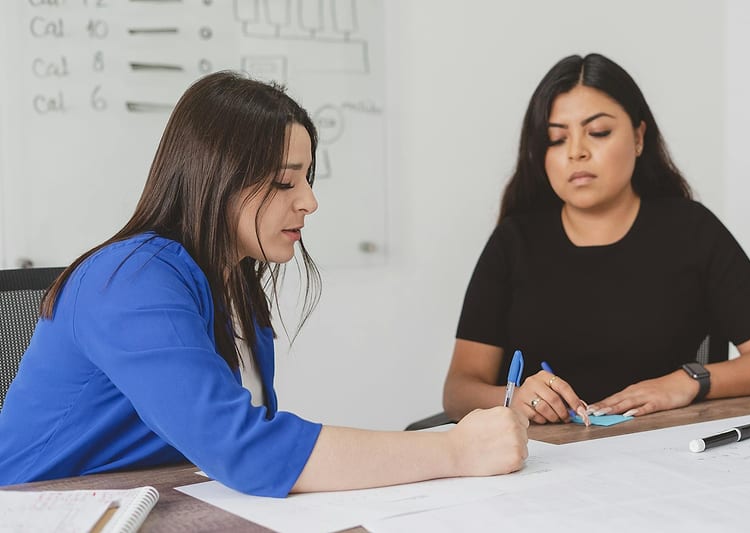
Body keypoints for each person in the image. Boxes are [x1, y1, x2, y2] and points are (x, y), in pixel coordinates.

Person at [0, 71, 529, 496]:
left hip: (150, 502)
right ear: (217, 177)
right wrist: (457, 452)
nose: (309, 201)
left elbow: (247, 451)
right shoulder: (130, 279)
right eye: (284, 181)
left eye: (308, 178)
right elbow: (247, 450)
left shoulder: (236, 289)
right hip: (42, 513)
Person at [443, 53, 750, 426]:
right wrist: (512, 399)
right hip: (543, 461)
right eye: (556, 138)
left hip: (668, 454)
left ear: (639, 137)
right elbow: (458, 390)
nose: (576, 151)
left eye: (597, 132)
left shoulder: (692, 231)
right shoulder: (514, 242)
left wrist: (687, 381)